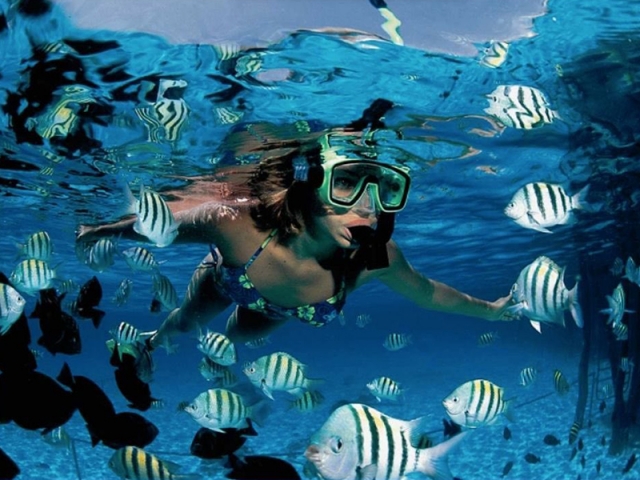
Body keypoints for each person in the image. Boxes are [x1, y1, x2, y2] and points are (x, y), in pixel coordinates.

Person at [76, 100, 514, 350]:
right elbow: (157, 226)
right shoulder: (238, 223)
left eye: (384, 190)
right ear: (312, 184)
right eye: (345, 183)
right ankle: (155, 338)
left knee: (238, 340)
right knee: (189, 322)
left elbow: (427, 292)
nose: (368, 208)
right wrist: (96, 232)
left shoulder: (373, 256)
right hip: (229, 280)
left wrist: (491, 310)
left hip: (276, 310)